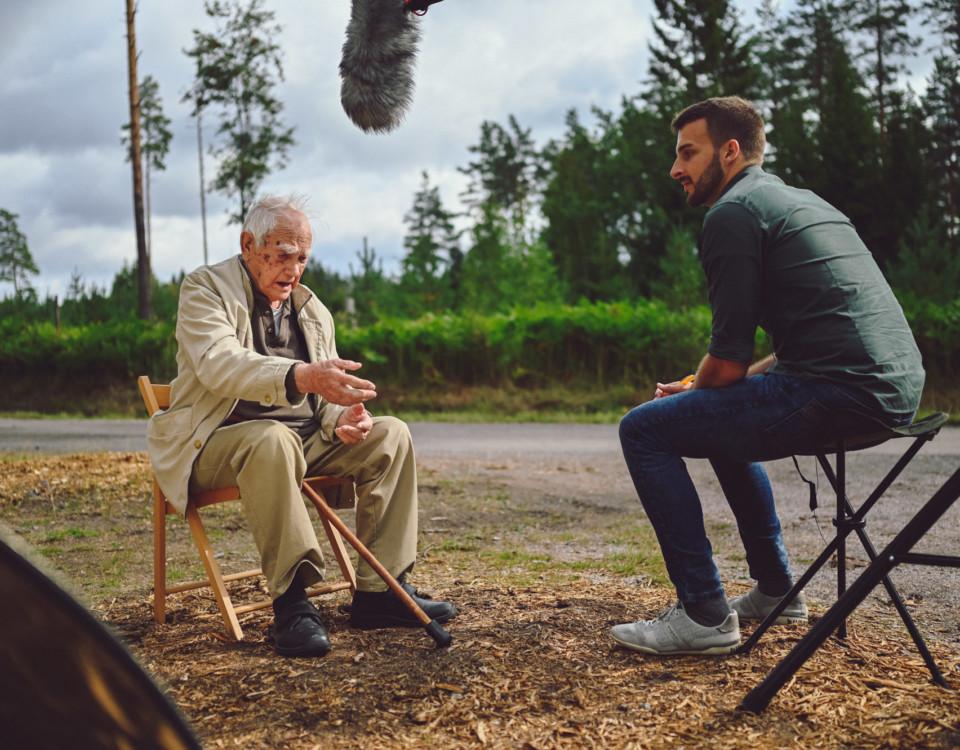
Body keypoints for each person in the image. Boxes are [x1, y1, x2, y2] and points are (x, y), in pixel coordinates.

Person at [611, 96, 924, 656]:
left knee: (643, 428)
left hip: (841, 393)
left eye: (688, 153)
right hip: (889, 388)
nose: (675, 169)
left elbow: (727, 361)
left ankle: (704, 615)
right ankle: (777, 591)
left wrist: (696, 389)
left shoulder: (733, 213)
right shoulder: (800, 202)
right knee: (717, 414)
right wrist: (695, 389)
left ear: (729, 152)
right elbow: (790, 352)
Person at [147, 194, 456, 657]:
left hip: (299, 442)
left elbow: (319, 402)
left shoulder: (312, 310)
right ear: (248, 244)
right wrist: (300, 375)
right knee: (272, 439)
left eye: (303, 257)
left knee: (390, 434)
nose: (294, 268)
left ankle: (380, 594)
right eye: (284, 254)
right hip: (213, 445)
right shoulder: (204, 289)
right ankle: (292, 603)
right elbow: (219, 365)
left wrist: (342, 418)